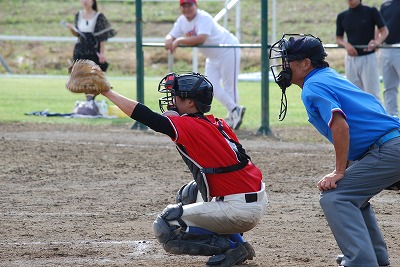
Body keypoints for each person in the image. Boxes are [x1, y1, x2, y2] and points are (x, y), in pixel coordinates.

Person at [100, 72, 267, 266]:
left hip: (239, 210)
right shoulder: (216, 123)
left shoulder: (189, 125)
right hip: (253, 200)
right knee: (189, 193)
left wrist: (107, 92)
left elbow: (147, 117)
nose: (172, 101)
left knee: (165, 225)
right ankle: (240, 242)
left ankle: (229, 247)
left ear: (190, 104)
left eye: (177, 96)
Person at [269, 33, 400, 267]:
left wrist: (339, 172)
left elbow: (340, 125)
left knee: (336, 197)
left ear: (306, 63)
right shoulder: (327, 77)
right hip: (390, 146)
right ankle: (374, 257)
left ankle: (361, 261)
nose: (283, 66)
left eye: (288, 60)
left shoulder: (313, 86)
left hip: (389, 149)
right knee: (351, 195)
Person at [164, 0, 245, 130]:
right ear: (180, 8)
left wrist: (179, 40)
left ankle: (233, 115)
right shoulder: (181, 21)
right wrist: (169, 38)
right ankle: (235, 110)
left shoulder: (203, 17)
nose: (187, 9)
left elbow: (201, 38)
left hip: (228, 49)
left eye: (190, 5)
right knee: (211, 86)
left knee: (230, 85)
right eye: (184, 6)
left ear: (196, 6)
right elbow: (171, 34)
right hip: (212, 56)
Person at [336, 0, 388, 103]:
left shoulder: (371, 11)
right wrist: (347, 45)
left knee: (373, 93)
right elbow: (338, 38)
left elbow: (384, 31)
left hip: (369, 58)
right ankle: (358, 119)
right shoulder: (342, 16)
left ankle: (377, 118)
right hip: (351, 59)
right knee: (353, 94)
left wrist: (377, 42)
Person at [66, 0, 116, 108]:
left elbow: (102, 37)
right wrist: (72, 30)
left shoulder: (98, 16)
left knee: (93, 77)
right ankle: (88, 101)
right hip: (80, 50)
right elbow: (77, 34)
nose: (85, 1)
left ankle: (91, 100)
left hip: (93, 50)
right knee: (81, 76)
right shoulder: (78, 15)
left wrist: (102, 53)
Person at [380, 0, 400, 117]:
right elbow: (380, 27)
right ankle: (392, 118)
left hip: (399, 46)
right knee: (389, 87)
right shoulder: (385, 5)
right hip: (386, 48)